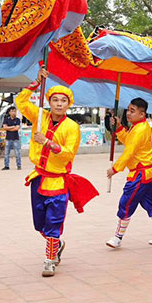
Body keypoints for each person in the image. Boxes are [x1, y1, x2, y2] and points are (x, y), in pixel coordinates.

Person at [16, 68, 98, 277]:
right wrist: (35, 84)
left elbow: (68, 154)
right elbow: (21, 103)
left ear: (68, 104)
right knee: (39, 224)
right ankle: (57, 244)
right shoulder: (39, 116)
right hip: (38, 178)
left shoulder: (72, 127)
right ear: (50, 102)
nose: (59, 104)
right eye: (55, 100)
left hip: (59, 183)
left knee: (53, 222)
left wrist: (49, 143)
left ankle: (50, 259)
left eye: (63, 100)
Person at [105, 97, 152, 248]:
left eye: (132, 111)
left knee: (126, 203)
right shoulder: (138, 126)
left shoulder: (139, 129)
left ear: (142, 114)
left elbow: (129, 152)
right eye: (128, 109)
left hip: (140, 174)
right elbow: (129, 141)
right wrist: (120, 128)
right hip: (147, 173)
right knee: (151, 204)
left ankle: (118, 237)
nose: (128, 113)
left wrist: (115, 169)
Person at [1, 106, 22, 171]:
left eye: (14, 111)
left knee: (17, 153)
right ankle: (6, 166)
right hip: (8, 138)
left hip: (16, 138)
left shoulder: (18, 119)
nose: (13, 112)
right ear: (9, 112)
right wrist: (12, 127)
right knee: (6, 153)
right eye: (12, 111)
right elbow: (4, 127)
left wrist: (9, 128)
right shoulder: (6, 119)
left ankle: (19, 165)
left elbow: (17, 128)